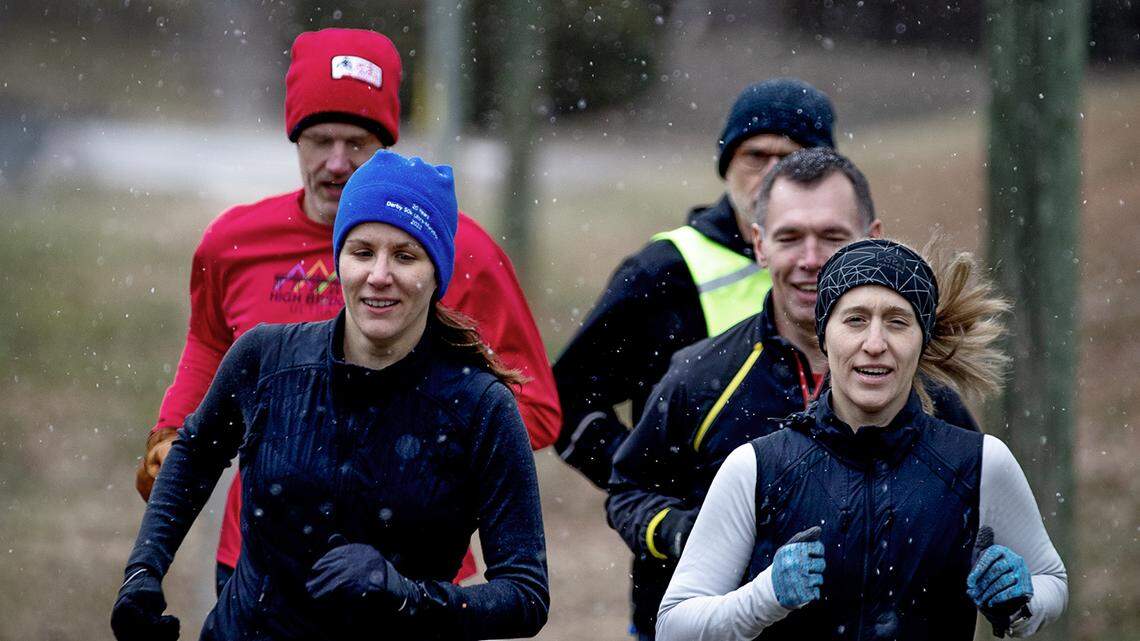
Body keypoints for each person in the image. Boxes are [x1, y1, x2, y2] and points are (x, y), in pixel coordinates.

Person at [133, 28, 561, 591]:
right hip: (257, 564)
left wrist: (423, 456)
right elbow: (210, 343)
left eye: (357, 141)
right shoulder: (232, 244)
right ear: (294, 139)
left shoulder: (460, 253)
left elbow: (536, 405)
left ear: (386, 141)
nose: (337, 162)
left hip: (414, 578)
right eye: (319, 139)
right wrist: (172, 429)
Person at [111, 151, 549, 641]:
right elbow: (194, 453)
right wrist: (143, 573)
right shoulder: (266, 357)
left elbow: (526, 594)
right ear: (338, 259)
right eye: (362, 252)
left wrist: (407, 595)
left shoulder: (480, 405)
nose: (379, 275)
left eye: (405, 256)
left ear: (436, 274)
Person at [606, 148, 980, 639]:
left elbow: (976, 512)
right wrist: (687, 533)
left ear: (871, 239)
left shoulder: (924, 384)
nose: (810, 259)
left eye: (832, 237)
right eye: (789, 238)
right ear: (759, 244)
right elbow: (630, 490)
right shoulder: (699, 376)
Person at [656, 238, 1067, 640]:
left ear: (921, 340)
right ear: (824, 335)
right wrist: (765, 597)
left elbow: (1052, 581)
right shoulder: (757, 467)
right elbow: (674, 625)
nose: (874, 344)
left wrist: (1021, 599)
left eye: (897, 321)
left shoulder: (979, 462)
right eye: (854, 320)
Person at [553, 78, 836, 489]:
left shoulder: (860, 268)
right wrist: (651, 496)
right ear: (727, 165)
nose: (774, 175)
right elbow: (566, 398)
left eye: (793, 159)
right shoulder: (663, 271)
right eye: (756, 156)